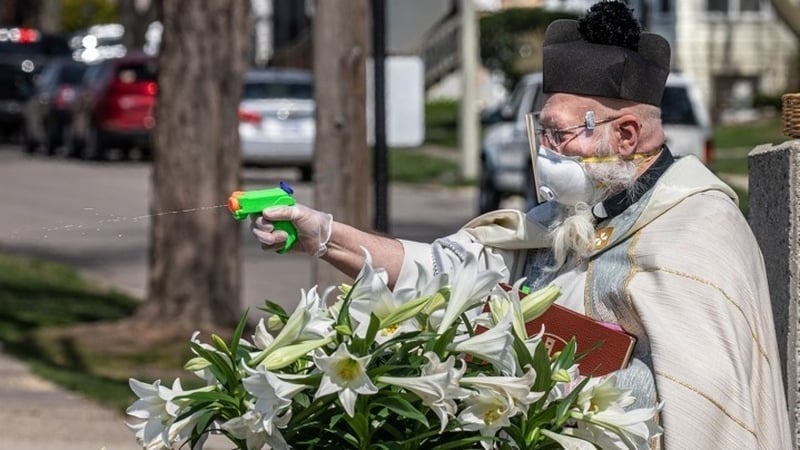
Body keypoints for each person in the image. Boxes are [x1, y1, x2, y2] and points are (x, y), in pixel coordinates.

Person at [251, 1, 791, 448]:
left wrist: (534, 382)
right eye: (543, 132)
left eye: (560, 135)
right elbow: (445, 274)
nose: (546, 151)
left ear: (626, 136)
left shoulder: (696, 231)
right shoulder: (559, 220)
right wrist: (325, 236)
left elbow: (702, 407)